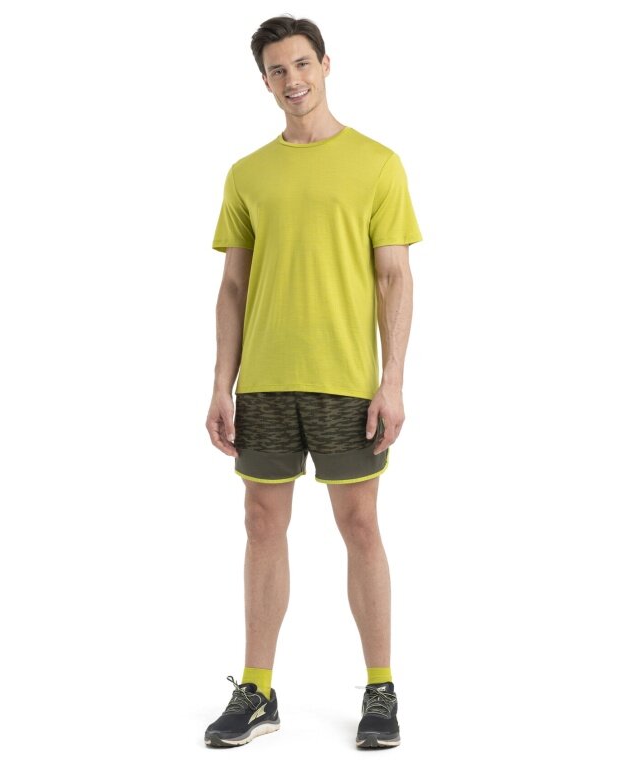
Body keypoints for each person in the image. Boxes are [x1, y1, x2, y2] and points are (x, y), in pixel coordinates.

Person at [204, 14, 422, 750]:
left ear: (326, 64)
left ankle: (381, 688)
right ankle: (257, 690)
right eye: (277, 69)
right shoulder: (247, 174)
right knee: (261, 525)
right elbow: (233, 287)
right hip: (265, 381)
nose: (292, 79)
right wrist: (221, 383)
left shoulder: (377, 164)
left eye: (302, 63)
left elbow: (395, 278)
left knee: (360, 525)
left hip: (346, 382)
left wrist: (393, 382)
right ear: (264, 81)